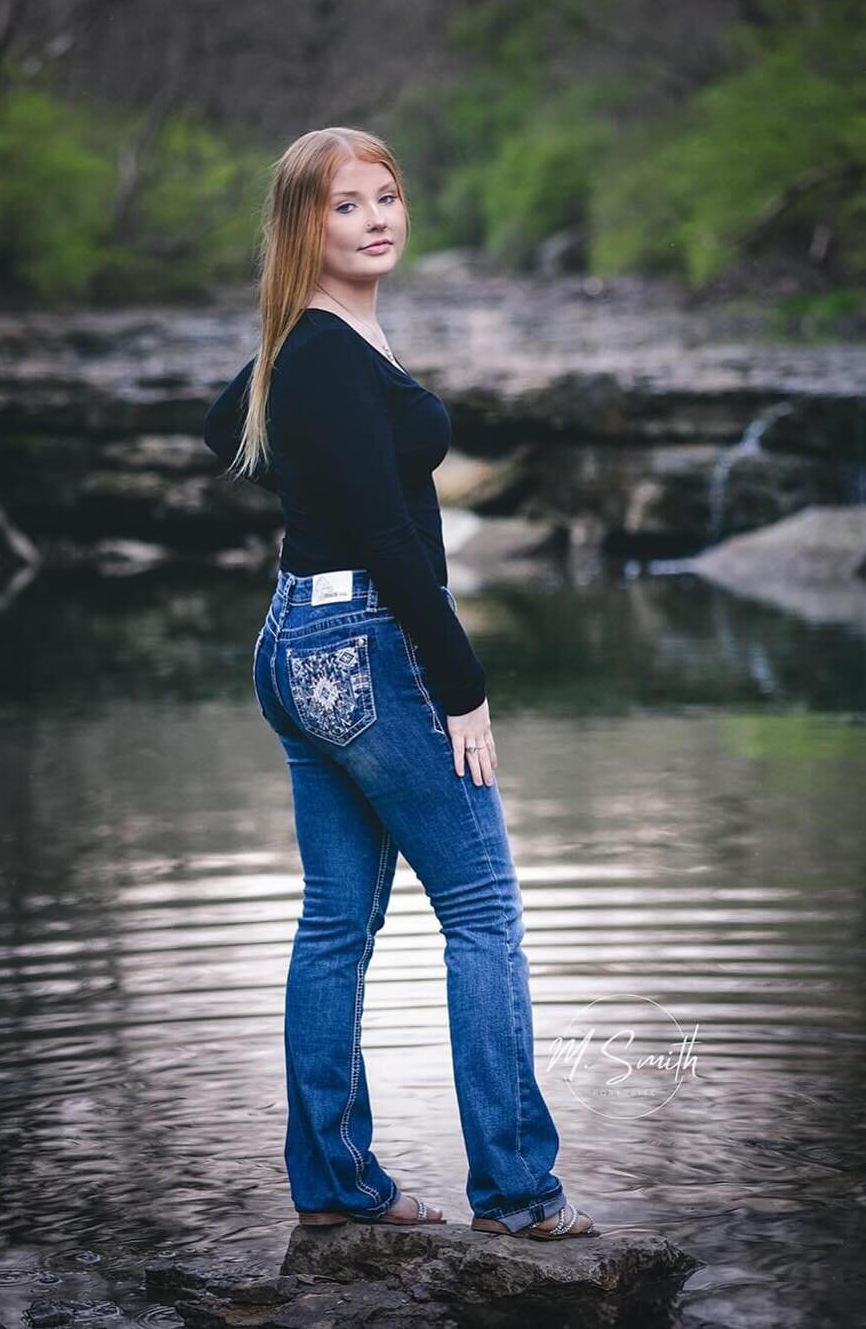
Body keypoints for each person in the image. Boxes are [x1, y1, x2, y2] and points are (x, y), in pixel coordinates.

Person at [203, 126, 598, 1241]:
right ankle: (519, 1195)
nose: (378, 218)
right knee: (482, 912)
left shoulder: (320, 344)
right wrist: (461, 679)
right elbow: (383, 529)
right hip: (370, 645)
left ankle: (334, 1186)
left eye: (388, 196)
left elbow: (218, 425)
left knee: (336, 920)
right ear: (302, 229)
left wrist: (290, 333)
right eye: (345, 206)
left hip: (295, 642)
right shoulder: (325, 350)